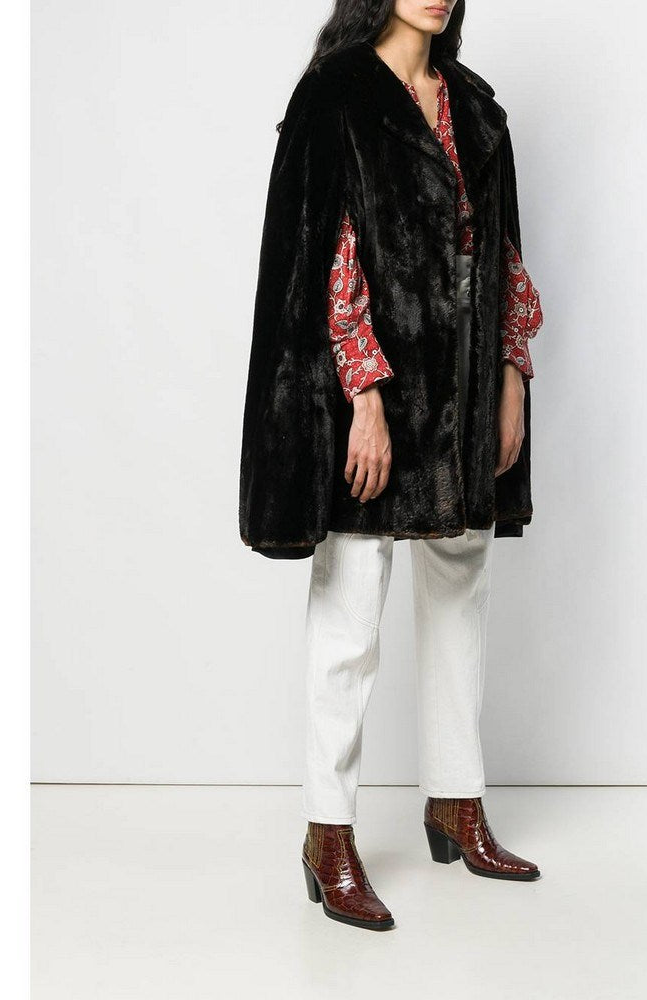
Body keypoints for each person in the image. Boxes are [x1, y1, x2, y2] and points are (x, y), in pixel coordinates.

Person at [239, 0, 544, 931]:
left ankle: (456, 801)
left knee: (461, 594)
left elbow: (505, 252)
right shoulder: (335, 95)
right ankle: (328, 833)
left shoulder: (475, 107)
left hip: (463, 399)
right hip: (371, 397)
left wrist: (512, 377)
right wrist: (363, 398)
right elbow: (324, 252)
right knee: (350, 616)